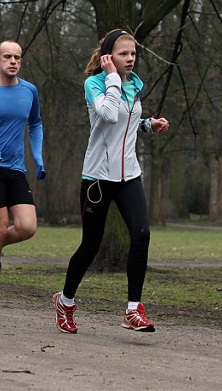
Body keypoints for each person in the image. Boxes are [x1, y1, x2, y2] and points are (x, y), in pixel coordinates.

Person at [52, 29, 169, 334]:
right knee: (91, 245)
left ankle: (133, 310)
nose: (130, 59)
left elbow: (127, 122)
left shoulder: (134, 85)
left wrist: (148, 125)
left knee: (141, 234)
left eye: (133, 54)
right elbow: (108, 116)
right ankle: (65, 302)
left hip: (128, 174)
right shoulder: (94, 84)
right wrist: (112, 78)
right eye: (123, 54)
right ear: (108, 57)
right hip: (98, 178)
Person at [0, 40, 45, 308]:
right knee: (1, 228)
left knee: (28, 227)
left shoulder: (30, 91)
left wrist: (37, 156)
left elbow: (35, 123)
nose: (12, 61)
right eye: (7, 57)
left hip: (16, 169)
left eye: (17, 57)